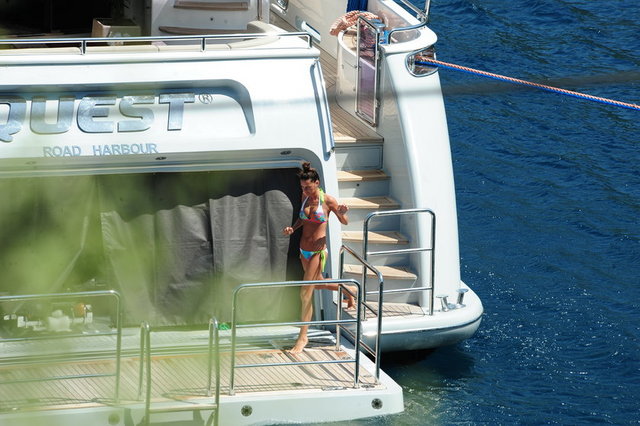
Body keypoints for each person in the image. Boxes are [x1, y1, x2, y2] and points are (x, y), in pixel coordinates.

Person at [283, 162, 352, 353]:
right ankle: (349, 289)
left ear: (317, 183)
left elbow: (344, 221)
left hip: (317, 252)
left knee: (305, 293)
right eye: (302, 187)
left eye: (308, 187)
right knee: (319, 284)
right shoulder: (304, 197)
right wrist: (292, 228)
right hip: (303, 250)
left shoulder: (328, 201)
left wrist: (342, 214)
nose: (305, 190)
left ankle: (302, 338)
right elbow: (302, 219)